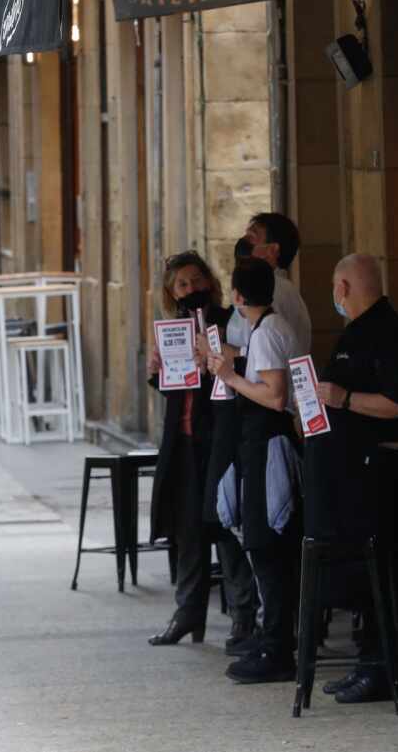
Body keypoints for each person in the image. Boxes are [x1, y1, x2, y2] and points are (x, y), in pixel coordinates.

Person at [311, 253, 398, 703]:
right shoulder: (357, 330)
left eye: (336, 287)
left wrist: (344, 397)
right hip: (347, 473)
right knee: (358, 573)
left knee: (382, 573)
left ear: (344, 287)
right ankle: (365, 661)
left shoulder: (389, 332)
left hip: (377, 473)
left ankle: (380, 666)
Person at [146, 251, 258, 652]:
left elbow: (246, 371)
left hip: (221, 439)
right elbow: (175, 388)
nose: (191, 289)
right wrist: (158, 370)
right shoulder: (172, 328)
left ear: (210, 281)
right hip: (184, 440)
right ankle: (188, 612)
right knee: (188, 531)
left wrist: (214, 354)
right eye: (182, 284)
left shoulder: (231, 323)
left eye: (196, 280)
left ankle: (243, 617)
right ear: (171, 293)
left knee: (226, 526)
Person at [207, 257, 301, 685]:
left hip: (268, 446)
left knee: (266, 547)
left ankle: (277, 646)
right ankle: (273, 638)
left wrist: (230, 377)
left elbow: (274, 395)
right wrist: (226, 360)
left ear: (238, 296)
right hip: (267, 445)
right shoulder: (274, 327)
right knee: (268, 546)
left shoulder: (266, 333)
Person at [225, 213, 312, 361]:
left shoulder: (273, 290)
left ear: (272, 250)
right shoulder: (274, 287)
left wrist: (233, 352)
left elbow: (269, 349)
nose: (243, 242)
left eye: (251, 237)